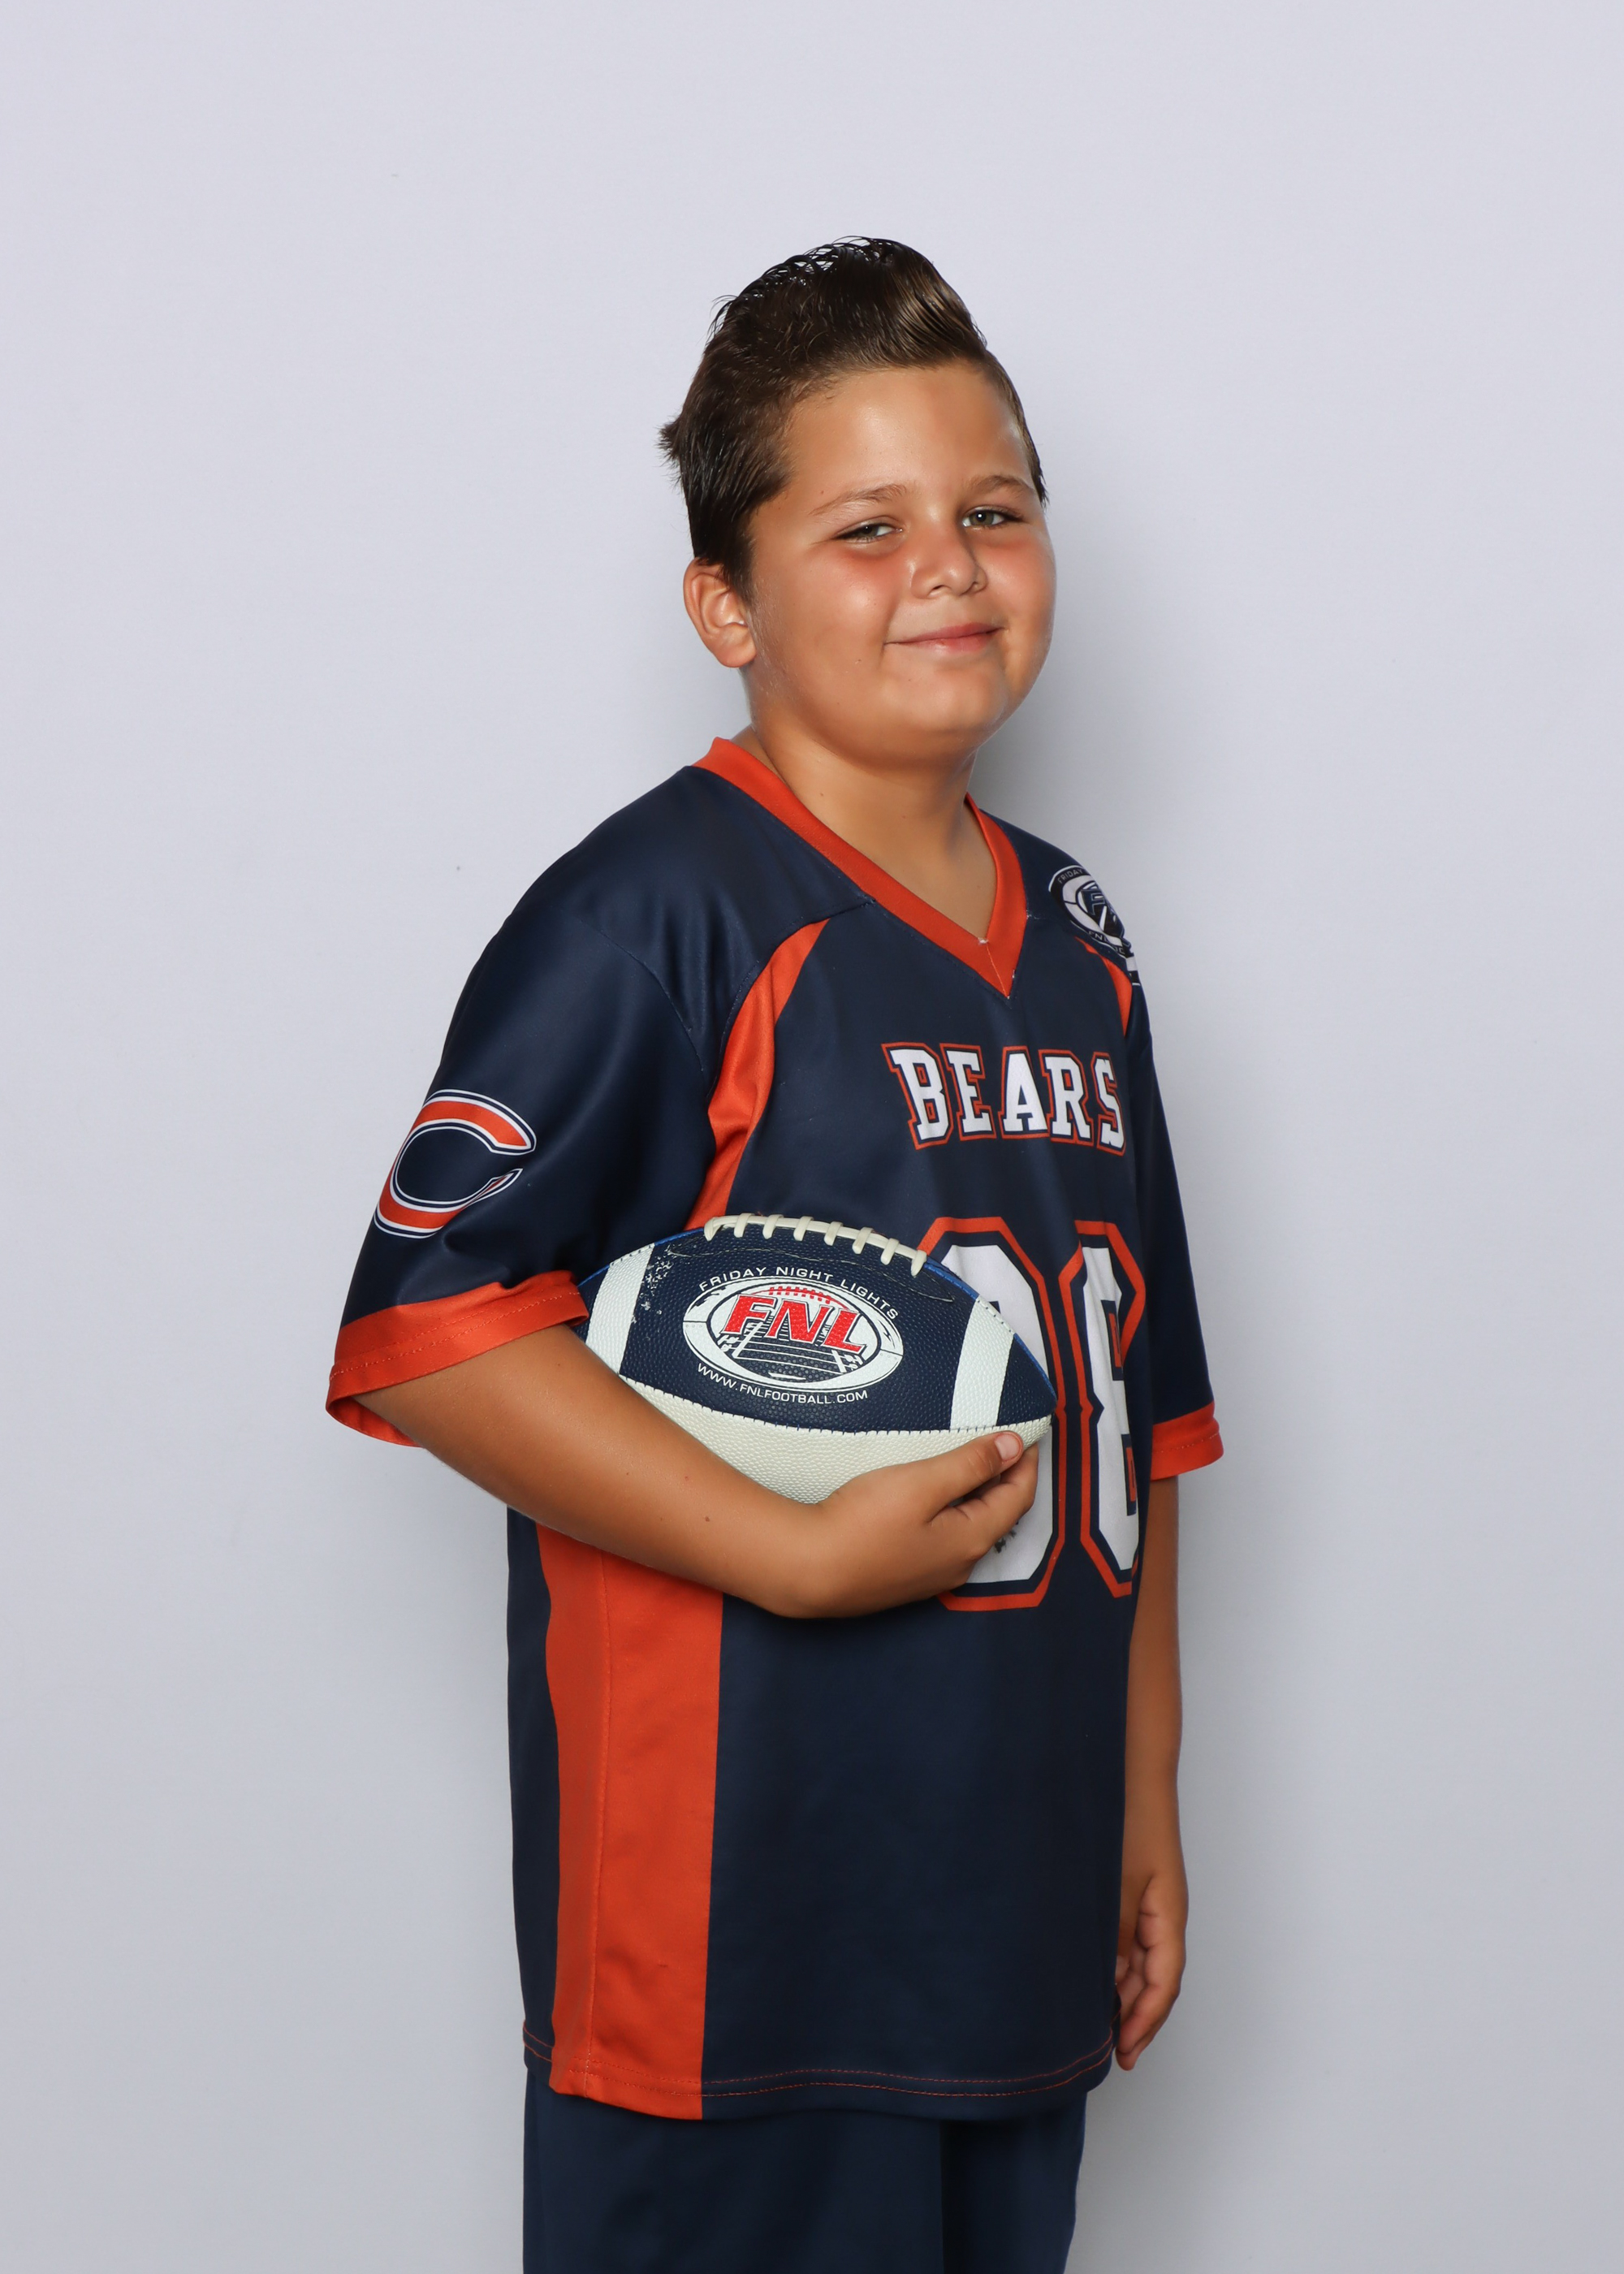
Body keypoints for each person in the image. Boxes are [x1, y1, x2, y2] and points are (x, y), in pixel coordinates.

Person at [327, 239, 1222, 2274]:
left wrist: (1141, 1789)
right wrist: (790, 1550)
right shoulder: (655, 912)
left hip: (1009, 1905)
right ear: (725, 602)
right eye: (866, 526)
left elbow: (1137, 1416)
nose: (951, 568)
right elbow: (433, 1328)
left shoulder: (1081, 940)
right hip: (735, 1939)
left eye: (995, 509)